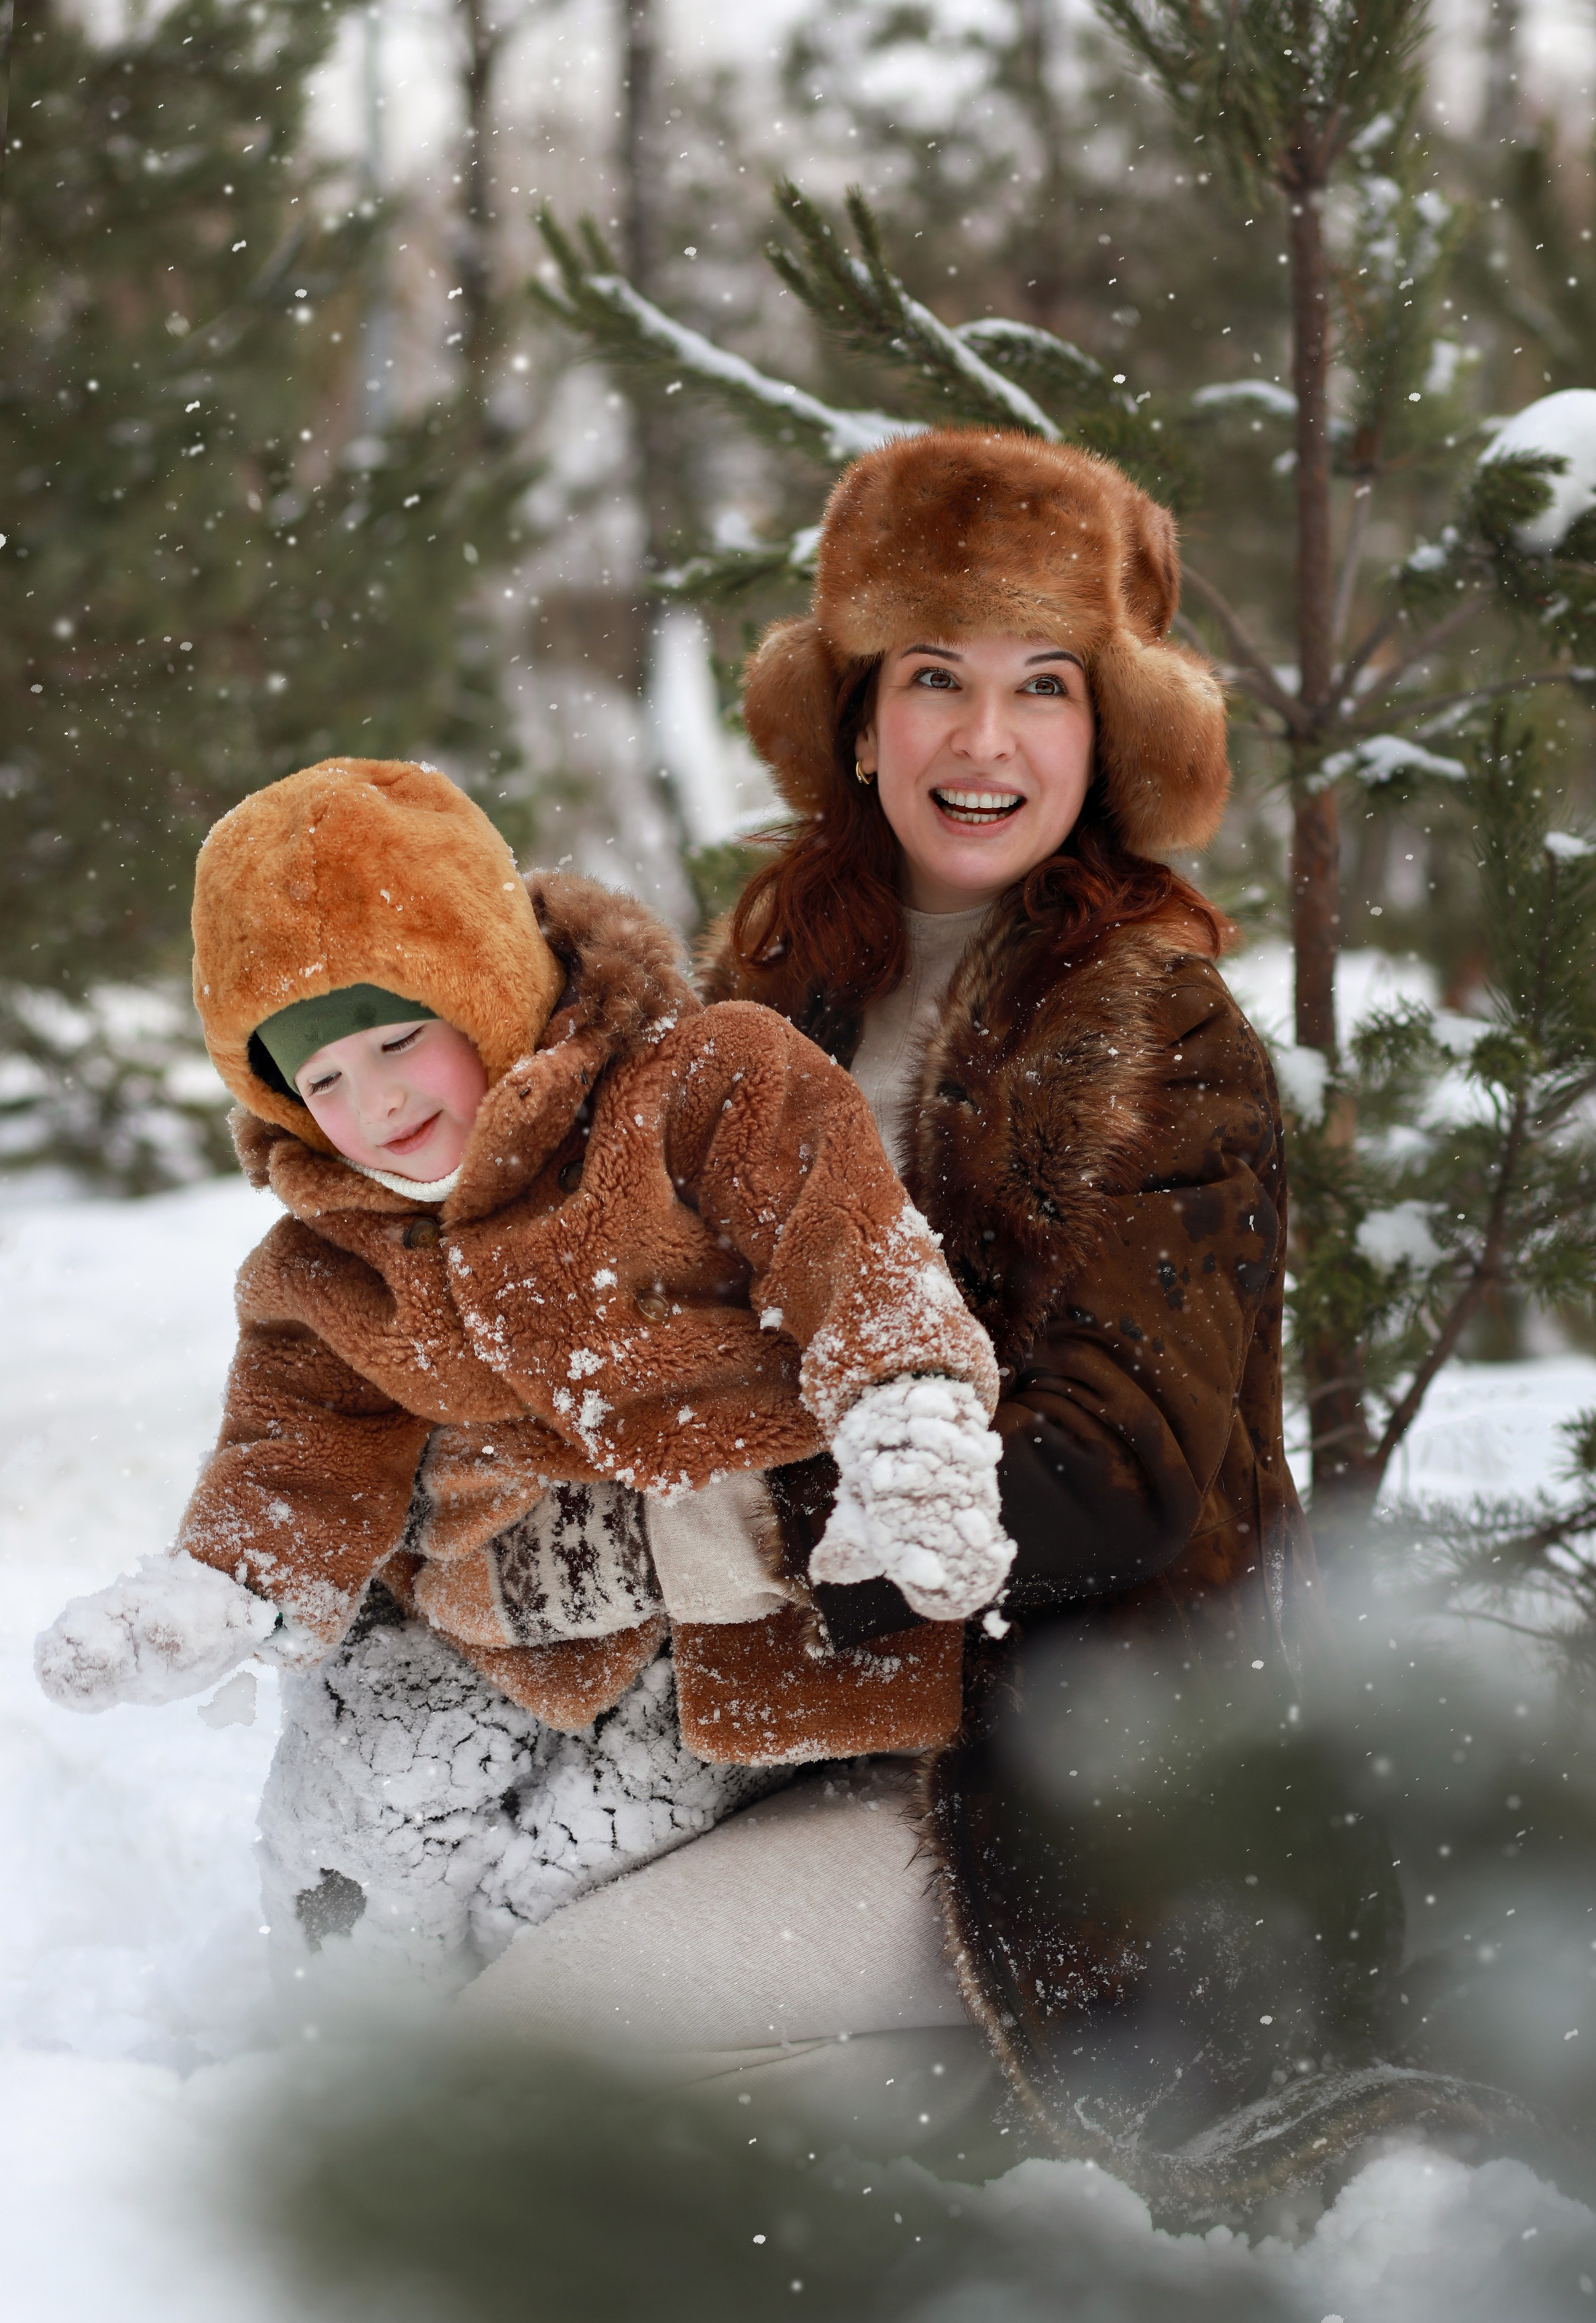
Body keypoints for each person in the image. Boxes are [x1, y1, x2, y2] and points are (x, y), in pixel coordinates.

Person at [463, 428, 1323, 2171]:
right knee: (477, 1996)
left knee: (529, 2053)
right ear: (858, 720)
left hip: (1059, 1772)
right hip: (780, 1726)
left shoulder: (1157, 1037)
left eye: (1045, 687)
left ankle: (1028, 2180)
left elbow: (1116, 1482)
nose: (985, 741)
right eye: (935, 676)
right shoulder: (775, 1001)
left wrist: (726, 1533)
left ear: (1113, 733)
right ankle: (971, 2169)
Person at [33, 754, 1011, 1982]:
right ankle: (355, 2040)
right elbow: (299, 1445)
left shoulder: (704, 1088)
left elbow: (849, 1247)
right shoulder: (331, 1252)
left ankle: (529, 2080)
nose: (376, 1102)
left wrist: (905, 1424)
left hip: (732, 1633)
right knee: (363, 1845)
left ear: (490, 990)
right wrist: (220, 1587)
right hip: (485, 1630)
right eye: (321, 1080)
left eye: (400, 1038)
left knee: (560, 1897)